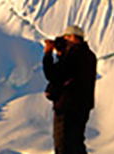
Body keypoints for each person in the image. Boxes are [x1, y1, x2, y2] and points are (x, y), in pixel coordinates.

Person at [43, 25, 97, 154]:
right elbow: (72, 74)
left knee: (64, 147)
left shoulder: (74, 55)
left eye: (66, 37)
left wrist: (48, 54)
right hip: (82, 107)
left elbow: (53, 74)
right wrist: (63, 54)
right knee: (76, 144)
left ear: (72, 37)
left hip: (67, 107)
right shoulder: (89, 55)